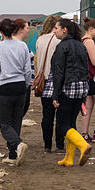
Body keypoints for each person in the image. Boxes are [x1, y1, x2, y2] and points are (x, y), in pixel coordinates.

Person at [0, 19, 33, 166]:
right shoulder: (23, 46)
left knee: (3, 122)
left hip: (5, 87)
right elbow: (28, 70)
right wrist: (26, 85)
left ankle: (18, 144)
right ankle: (13, 154)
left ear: (1, 32)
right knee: (16, 121)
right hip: (20, 86)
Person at [50, 18, 92, 166]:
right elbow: (86, 68)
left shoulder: (62, 46)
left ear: (64, 29)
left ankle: (82, 145)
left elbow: (58, 72)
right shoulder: (81, 45)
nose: (55, 31)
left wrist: (55, 94)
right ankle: (69, 159)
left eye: (56, 28)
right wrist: (85, 94)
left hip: (67, 87)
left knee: (62, 125)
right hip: (81, 87)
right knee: (71, 123)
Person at [34, 16, 61, 152]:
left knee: (47, 116)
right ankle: (60, 144)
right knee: (60, 116)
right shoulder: (59, 39)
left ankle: (47, 145)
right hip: (56, 79)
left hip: (43, 80)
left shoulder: (40, 39)